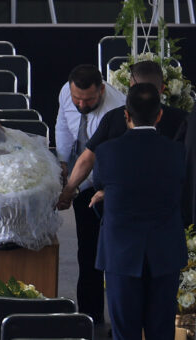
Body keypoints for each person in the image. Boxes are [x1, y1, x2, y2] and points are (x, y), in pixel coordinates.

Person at [90, 83, 187, 340]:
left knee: (124, 332)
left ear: (126, 114)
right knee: (162, 330)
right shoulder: (177, 152)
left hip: (121, 252)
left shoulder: (107, 152)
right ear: (159, 115)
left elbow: (101, 183)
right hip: (164, 251)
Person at [57, 60, 188, 210]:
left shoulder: (113, 116)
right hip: (169, 210)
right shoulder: (184, 120)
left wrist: (68, 191)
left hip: (118, 210)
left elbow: (88, 158)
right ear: (162, 89)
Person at [54, 64, 125, 323]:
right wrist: (62, 162)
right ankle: (89, 315)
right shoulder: (67, 92)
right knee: (87, 251)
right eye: (77, 99)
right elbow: (63, 123)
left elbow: (95, 162)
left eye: (89, 100)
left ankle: (119, 319)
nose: (82, 105)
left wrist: (70, 191)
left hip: (110, 183)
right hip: (79, 179)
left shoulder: (117, 110)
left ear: (102, 90)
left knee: (111, 255)